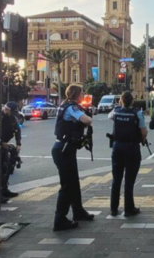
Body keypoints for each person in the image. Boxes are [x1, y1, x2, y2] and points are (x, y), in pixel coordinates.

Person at [51, 84, 94, 231]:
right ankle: (60, 220)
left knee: (74, 182)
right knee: (67, 186)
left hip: (66, 149)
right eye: (82, 93)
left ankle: (78, 211)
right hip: (63, 150)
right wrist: (87, 115)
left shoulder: (67, 105)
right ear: (76, 94)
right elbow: (87, 121)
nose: (83, 95)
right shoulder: (71, 108)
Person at [108, 91, 147, 217]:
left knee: (116, 179)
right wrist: (142, 138)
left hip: (117, 147)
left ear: (121, 100)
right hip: (132, 148)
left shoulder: (115, 111)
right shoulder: (137, 113)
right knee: (129, 180)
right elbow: (144, 132)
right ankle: (129, 209)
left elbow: (110, 117)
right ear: (132, 101)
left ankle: (113, 208)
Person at [1, 101, 22, 203]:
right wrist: (1, 143)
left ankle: (4, 190)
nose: (13, 115)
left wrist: (18, 143)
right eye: (11, 112)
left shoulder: (13, 117)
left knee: (7, 167)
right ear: (6, 109)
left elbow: (17, 129)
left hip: (5, 145)